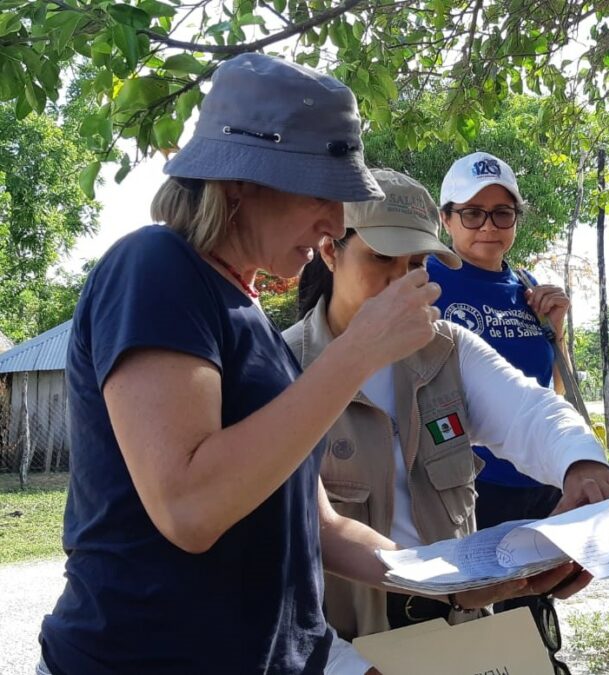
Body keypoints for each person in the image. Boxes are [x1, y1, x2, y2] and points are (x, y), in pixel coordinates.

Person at [40, 53, 441, 675]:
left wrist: (463, 576)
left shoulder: (253, 320)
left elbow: (320, 525)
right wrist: (359, 349)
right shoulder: (156, 266)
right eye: (322, 193)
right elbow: (189, 508)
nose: (335, 225)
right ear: (243, 182)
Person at [284, 168, 609, 645]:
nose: (400, 283)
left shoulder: (448, 349)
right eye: (382, 258)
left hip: (459, 628)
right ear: (328, 251)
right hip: (348, 643)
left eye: (416, 263)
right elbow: (303, 538)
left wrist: (581, 464)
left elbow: (530, 409)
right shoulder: (283, 366)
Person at [426, 152, 577, 621]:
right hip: (467, 484)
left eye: (502, 213)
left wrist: (557, 326)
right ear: (445, 218)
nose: (488, 225)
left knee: (532, 611)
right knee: (468, 621)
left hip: (536, 483)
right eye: (472, 212)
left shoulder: (528, 289)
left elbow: (554, 388)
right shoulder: (426, 279)